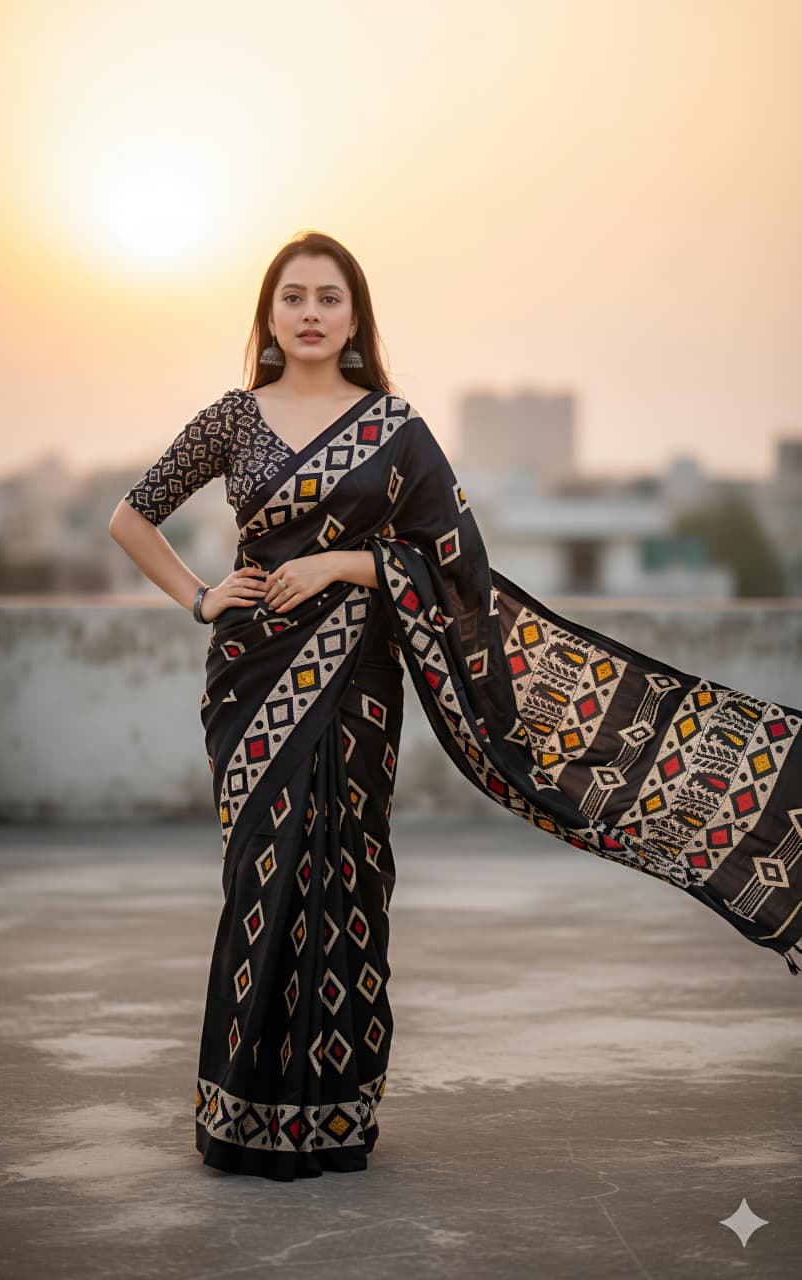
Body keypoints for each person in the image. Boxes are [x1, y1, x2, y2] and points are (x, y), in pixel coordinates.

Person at [109, 230, 802, 1183]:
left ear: (355, 318)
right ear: (267, 316)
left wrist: (346, 563)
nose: (311, 313)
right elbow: (128, 515)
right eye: (293, 297)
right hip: (253, 677)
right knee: (261, 877)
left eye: (330, 298)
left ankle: (332, 1116)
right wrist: (198, 595)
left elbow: (456, 563)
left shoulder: (393, 425)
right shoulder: (233, 418)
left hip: (355, 680)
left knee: (345, 874)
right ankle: (241, 1111)